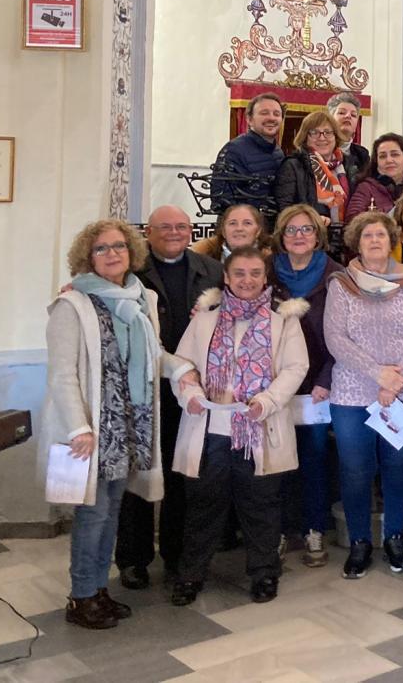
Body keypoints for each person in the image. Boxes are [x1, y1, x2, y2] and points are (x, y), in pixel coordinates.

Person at [45, 220, 197, 630]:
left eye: (118, 246)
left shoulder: (141, 298)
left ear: (131, 251)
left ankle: (98, 590)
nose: (112, 254)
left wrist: (182, 369)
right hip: (94, 428)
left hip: (130, 423)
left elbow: (154, 355)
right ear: (87, 257)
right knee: (92, 514)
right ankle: (80, 596)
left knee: (112, 511)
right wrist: (78, 428)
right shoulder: (72, 304)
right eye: (101, 248)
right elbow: (62, 374)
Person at [169, 248, 308, 606]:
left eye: (255, 273)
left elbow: (295, 368)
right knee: (203, 505)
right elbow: (182, 365)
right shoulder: (205, 319)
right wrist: (190, 395)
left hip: (258, 428)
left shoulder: (283, 320)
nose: (248, 280)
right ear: (227, 278)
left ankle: (264, 573)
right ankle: (191, 575)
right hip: (211, 428)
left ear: (265, 278)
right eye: (240, 273)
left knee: (261, 505)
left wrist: (267, 401)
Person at [116, 207, 223, 590]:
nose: (174, 233)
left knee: (182, 473)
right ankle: (133, 558)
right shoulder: (131, 269)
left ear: (191, 230)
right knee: (139, 472)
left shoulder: (212, 270)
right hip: (143, 385)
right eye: (165, 227)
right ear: (149, 232)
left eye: (181, 226)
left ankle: (177, 556)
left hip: (192, 386)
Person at [323, 212, 403, 578]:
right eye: (367, 235)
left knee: (397, 468)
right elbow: (335, 338)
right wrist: (378, 374)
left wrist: (394, 382)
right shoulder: (342, 284)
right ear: (357, 242)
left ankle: (395, 539)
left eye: (381, 235)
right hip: (352, 394)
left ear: (392, 241)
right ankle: (359, 542)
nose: (374, 241)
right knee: (355, 470)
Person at [271, 205, 342, 569]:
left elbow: (344, 332)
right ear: (281, 236)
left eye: (306, 230)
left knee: (314, 458)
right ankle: (281, 529)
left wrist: (326, 379)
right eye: (291, 230)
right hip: (274, 385)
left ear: (318, 235)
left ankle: (314, 528)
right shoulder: (266, 273)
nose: (299, 236)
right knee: (278, 458)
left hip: (317, 385)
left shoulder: (335, 276)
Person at [210, 92, 285, 213]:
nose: (271, 118)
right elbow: (221, 199)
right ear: (249, 119)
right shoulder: (233, 150)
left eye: (276, 114)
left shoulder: (278, 152)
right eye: (264, 113)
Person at [273, 110, 350, 223]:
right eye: (314, 132)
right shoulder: (293, 166)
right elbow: (285, 210)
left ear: (336, 136)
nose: (322, 138)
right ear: (305, 138)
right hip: (309, 230)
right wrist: (313, 219)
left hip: (345, 231)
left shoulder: (347, 165)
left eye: (328, 132)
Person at [345, 133, 403, 223]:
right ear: (376, 162)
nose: (389, 160)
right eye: (382, 156)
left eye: (395, 154)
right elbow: (352, 221)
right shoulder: (366, 188)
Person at [193, 203, 271, 263]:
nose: (239, 228)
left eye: (247, 223)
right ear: (223, 231)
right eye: (232, 223)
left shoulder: (271, 261)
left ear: (258, 231)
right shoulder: (201, 257)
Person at [327, 92, 369, 186]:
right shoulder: (320, 150)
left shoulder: (362, 154)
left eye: (353, 115)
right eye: (342, 112)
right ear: (330, 119)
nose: (348, 116)